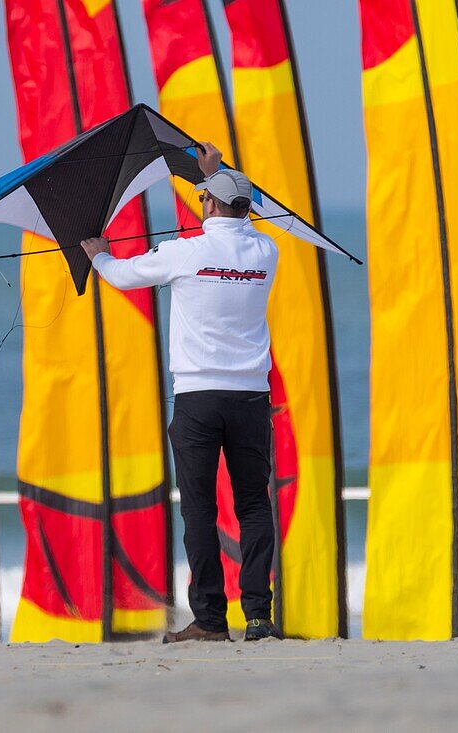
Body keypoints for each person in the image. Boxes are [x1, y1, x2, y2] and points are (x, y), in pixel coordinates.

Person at [80, 142, 282, 642]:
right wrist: (215, 176)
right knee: (254, 506)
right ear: (246, 208)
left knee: (199, 510)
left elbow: (124, 277)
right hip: (251, 398)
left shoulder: (185, 252)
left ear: (209, 205)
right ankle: (258, 618)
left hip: (198, 398)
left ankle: (211, 621)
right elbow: (234, 212)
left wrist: (99, 255)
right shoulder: (266, 250)